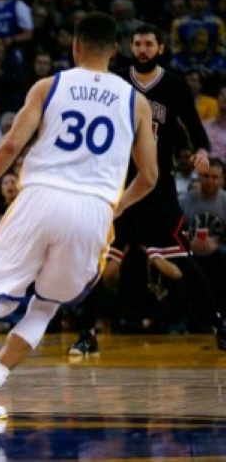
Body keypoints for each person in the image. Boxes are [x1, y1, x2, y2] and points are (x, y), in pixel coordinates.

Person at [0, 12, 158, 420]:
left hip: (37, 197)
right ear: (116, 51)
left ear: (75, 47)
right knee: (46, 307)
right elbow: (150, 177)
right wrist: (115, 208)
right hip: (91, 208)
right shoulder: (136, 101)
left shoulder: (49, 86)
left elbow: (12, 144)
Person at [68, 23, 225, 354]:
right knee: (103, 265)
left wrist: (200, 151)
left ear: (160, 49)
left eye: (148, 44)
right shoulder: (115, 83)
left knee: (183, 261)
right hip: (117, 183)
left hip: (158, 186)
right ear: (130, 47)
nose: (142, 49)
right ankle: (86, 332)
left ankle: (218, 324)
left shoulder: (174, 86)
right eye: (137, 44)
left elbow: (195, 130)